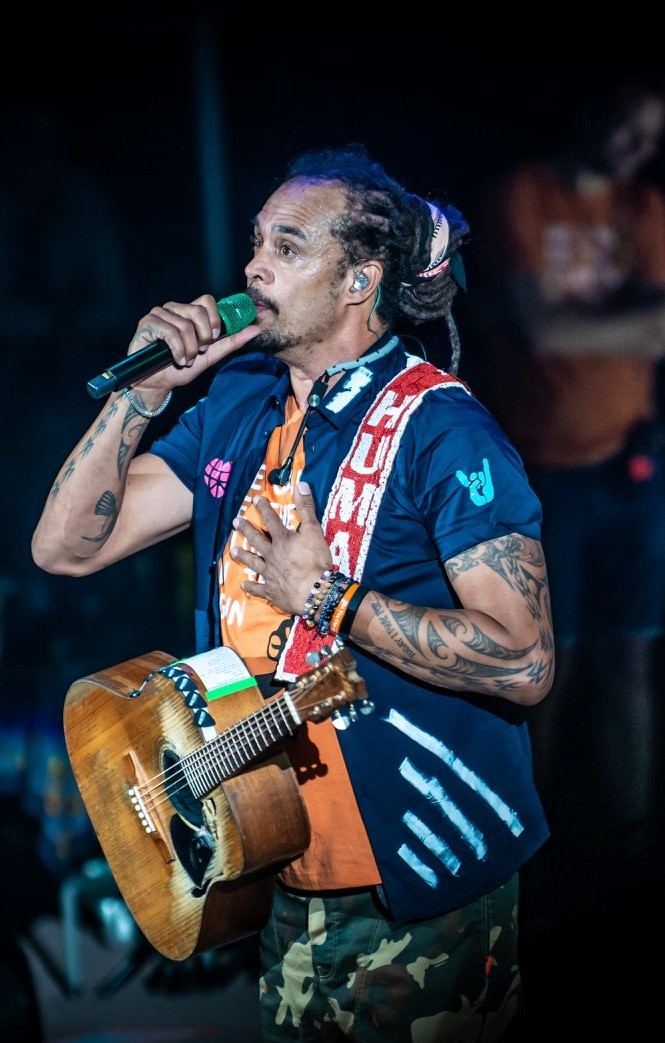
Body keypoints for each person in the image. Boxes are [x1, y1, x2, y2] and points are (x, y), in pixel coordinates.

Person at [31, 142, 554, 1042]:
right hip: (280, 869)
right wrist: (139, 397)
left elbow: (527, 661)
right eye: (255, 241)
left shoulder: (442, 428)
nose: (251, 266)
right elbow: (65, 548)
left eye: (287, 245)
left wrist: (333, 598)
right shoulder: (239, 400)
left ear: (360, 279)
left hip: (418, 891)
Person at [477, 73, 665, 866]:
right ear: (591, 114)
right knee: (544, 672)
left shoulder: (645, 208)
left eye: (653, 138)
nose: (640, 152)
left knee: (631, 657)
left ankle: (632, 839)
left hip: (632, 462)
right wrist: (623, 325)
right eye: (630, 130)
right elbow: (538, 327)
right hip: (541, 473)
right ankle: (533, 850)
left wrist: (579, 329)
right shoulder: (523, 195)